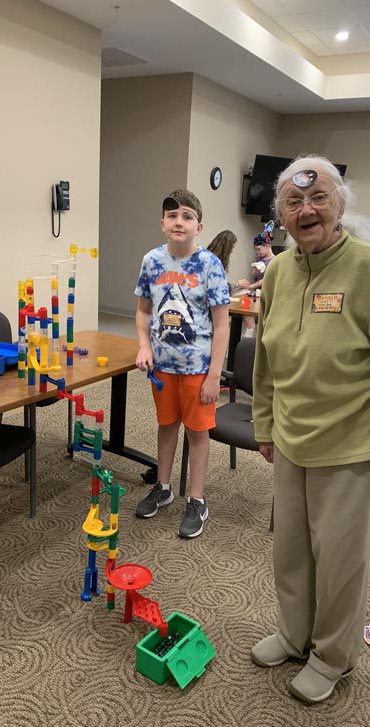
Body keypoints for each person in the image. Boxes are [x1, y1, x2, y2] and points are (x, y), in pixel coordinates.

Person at [251, 154, 370, 704]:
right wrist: (265, 423)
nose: (307, 210)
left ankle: (332, 656)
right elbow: (266, 359)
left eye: (318, 197)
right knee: (291, 552)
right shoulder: (278, 270)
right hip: (291, 441)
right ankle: (294, 635)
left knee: (341, 563)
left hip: (351, 447)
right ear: (281, 214)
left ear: (340, 204)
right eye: (294, 202)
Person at [134, 189, 230, 538]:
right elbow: (143, 311)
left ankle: (197, 499)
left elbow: (222, 324)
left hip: (198, 370)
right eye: (172, 216)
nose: (179, 222)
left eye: (187, 216)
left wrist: (214, 375)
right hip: (162, 367)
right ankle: (162, 487)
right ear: (162, 223)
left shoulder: (209, 264)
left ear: (198, 227)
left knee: (197, 432)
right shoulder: (152, 261)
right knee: (166, 425)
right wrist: (144, 346)